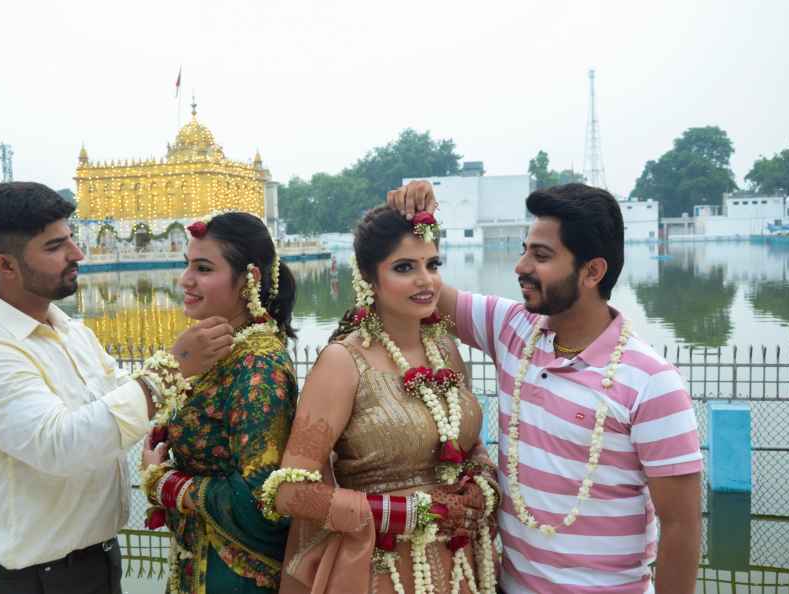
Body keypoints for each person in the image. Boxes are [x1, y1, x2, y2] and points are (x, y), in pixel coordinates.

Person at [388, 182, 704, 594]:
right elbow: (425, 293)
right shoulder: (514, 329)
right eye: (525, 250)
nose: (520, 266)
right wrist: (412, 217)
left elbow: (681, 526)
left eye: (541, 255)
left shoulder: (650, 382)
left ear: (593, 272)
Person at [0, 182, 232, 594]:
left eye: (71, 239)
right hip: (32, 579)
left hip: (95, 562)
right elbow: (63, 445)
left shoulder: (71, 333)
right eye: (55, 246)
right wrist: (173, 370)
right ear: (6, 265)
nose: (77, 253)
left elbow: (121, 405)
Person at [263, 206, 500, 594]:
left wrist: (483, 483)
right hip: (381, 569)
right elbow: (291, 492)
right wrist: (406, 514)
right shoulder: (344, 362)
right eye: (405, 267)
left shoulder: (445, 348)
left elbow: (469, 445)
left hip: (462, 564)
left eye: (432, 264)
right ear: (369, 279)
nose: (426, 280)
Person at [139, 212, 300, 593]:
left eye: (204, 268)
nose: (185, 280)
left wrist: (164, 484)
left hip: (235, 573)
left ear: (249, 280)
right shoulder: (220, 351)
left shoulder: (258, 365)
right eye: (186, 266)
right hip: (200, 561)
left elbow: (262, 496)